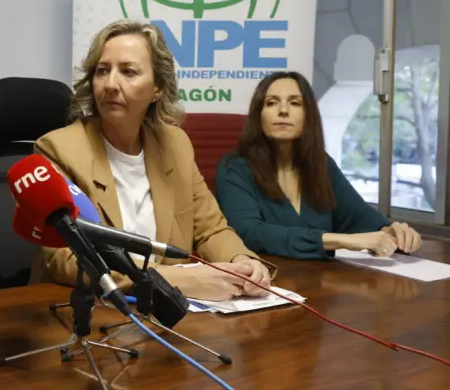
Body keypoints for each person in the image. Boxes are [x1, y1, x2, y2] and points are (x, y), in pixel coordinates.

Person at [29, 20, 275, 302]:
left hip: (168, 312)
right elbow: (66, 258)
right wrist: (170, 278)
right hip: (86, 313)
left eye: (128, 72)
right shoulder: (58, 148)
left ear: (157, 87)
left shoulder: (176, 144)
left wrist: (243, 261)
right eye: (102, 71)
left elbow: (210, 228)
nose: (110, 84)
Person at [215, 71, 423, 260]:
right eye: (271, 103)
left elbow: (359, 217)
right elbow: (248, 234)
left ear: (309, 115)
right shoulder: (235, 168)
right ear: (258, 115)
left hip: (323, 284)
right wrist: (341, 240)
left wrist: (391, 231)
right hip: (266, 283)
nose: (283, 111)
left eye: (295, 103)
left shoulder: (321, 164)